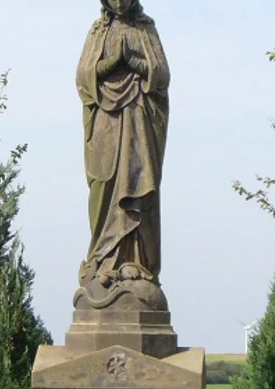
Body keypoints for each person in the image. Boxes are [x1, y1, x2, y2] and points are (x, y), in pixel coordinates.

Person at [75, 0, 170, 299]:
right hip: (107, 120)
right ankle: (103, 261)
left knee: (138, 184)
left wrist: (137, 64)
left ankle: (136, 263)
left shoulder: (145, 28)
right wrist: (109, 63)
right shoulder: (98, 31)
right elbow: (82, 77)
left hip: (139, 119)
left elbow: (163, 75)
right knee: (105, 185)